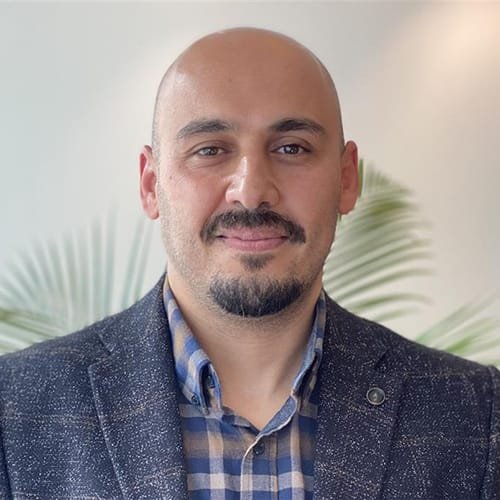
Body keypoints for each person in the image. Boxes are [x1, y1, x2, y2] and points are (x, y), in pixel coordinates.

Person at [0, 27, 498, 500]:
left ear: (347, 179)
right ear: (151, 184)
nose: (252, 189)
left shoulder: (476, 415)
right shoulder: (14, 410)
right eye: (210, 150)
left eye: (291, 148)